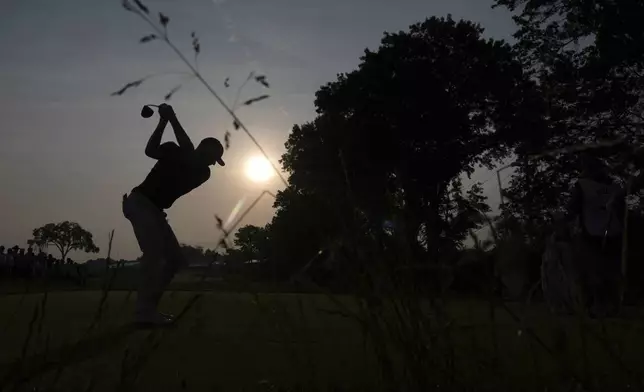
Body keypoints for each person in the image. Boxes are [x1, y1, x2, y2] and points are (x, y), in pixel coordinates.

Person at [122, 103, 226, 327]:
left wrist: (171, 118)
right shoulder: (177, 151)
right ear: (205, 151)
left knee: (174, 260)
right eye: (213, 158)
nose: (213, 164)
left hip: (155, 211)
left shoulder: (203, 172)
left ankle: (149, 310)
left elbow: (189, 155)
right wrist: (163, 121)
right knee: (154, 254)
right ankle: (143, 314)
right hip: (140, 203)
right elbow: (150, 151)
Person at [566, 154, 625, 317]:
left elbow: (573, 209)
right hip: (614, 231)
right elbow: (622, 209)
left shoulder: (583, 186)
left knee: (593, 270)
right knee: (611, 270)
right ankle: (613, 305)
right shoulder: (615, 187)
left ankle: (598, 306)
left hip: (591, 232)